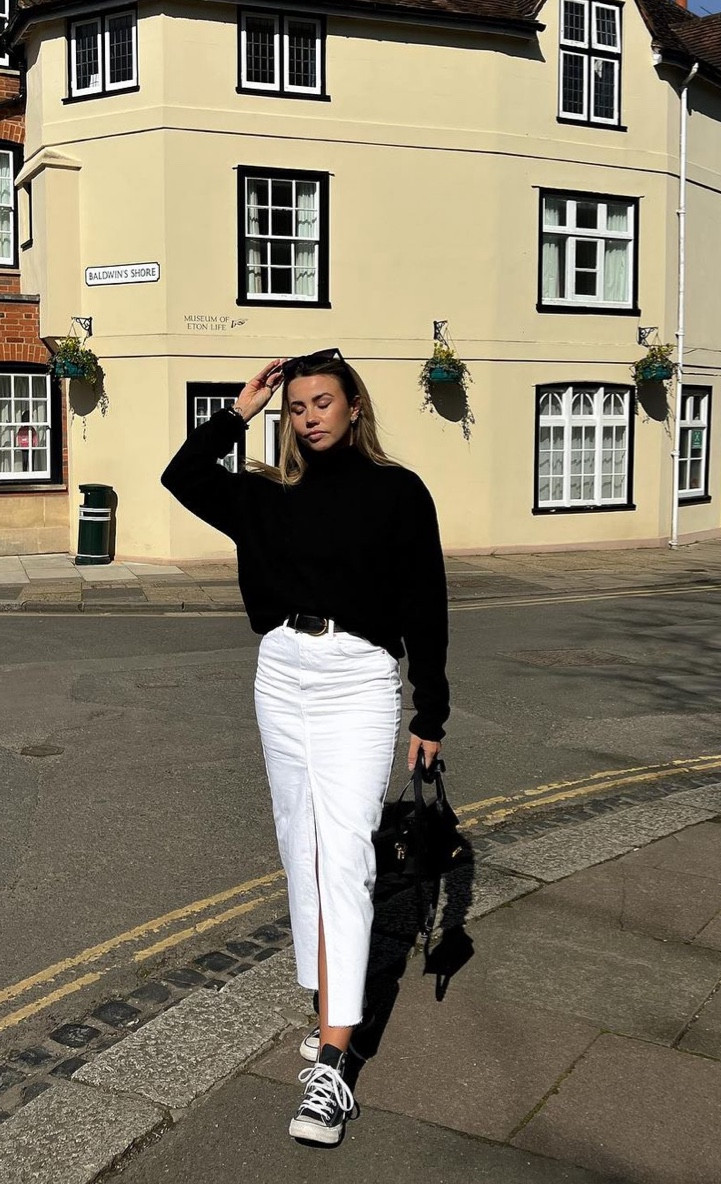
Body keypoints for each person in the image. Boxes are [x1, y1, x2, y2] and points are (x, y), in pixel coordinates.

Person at [161, 350, 449, 1145]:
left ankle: (331, 1061)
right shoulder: (264, 493)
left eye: (323, 401)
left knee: (348, 852)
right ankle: (331, 1005)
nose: (310, 415)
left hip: (357, 678)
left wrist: (431, 712)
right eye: (296, 406)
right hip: (280, 671)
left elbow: (426, 601)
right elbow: (181, 475)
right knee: (301, 845)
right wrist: (238, 409)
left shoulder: (396, 492)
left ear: (354, 406)